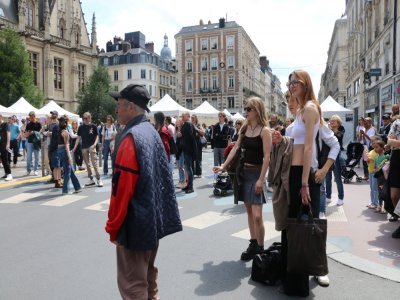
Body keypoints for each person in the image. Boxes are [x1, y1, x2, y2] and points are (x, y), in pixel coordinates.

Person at [105, 84, 182, 299]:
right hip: (152, 221)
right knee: (148, 277)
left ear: (130, 106)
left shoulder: (130, 137)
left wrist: (113, 227)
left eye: (119, 105)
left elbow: (122, 189)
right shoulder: (151, 131)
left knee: (132, 285)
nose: (117, 110)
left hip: (135, 225)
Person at [213, 96, 272, 261]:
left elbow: (267, 157)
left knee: (258, 215)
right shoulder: (245, 129)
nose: (245, 112)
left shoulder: (264, 130)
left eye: (248, 109)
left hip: (257, 174)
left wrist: (261, 179)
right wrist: (223, 166)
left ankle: (261, 248)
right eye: (245, 109)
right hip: (244, 174)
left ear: (257, 110)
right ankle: (253, 243)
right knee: (248, 212)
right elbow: (235, 148)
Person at [282, 70, 322, 297]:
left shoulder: (309, 108)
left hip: (302, 174)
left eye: (296, 81)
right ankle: (292, 281)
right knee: (294, 226)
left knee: (300, 228)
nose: (292, 85)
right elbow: (297, 143)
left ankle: (298, 286)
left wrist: (305, 183)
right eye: (290, 82)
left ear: (306, 83)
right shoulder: (300, 110)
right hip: (295, 172)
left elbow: (308, 148)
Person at [73, 112, 103, 187]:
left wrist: (94, 144)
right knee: (87, 164)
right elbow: (78, 137)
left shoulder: (93, 126)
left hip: (91, 146)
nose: (84, 120)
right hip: (84, 147)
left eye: (86, 118)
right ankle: (91, 179)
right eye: (83, 118)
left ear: (89, 118)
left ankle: (99, 179)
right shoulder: (81, 127)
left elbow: (97, 136)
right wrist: (74, 147)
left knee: (94, 163)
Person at [57, 116, 82, 194]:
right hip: (64, 150)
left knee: (70, 169)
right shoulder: (65, 132)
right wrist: (69, 156)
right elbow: (66, 145)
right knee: (67, 170)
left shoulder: (58, 130)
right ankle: (65, 190)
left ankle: (77, 187)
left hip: (59, 150)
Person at [325, 115, 345, 206]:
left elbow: (339, 137)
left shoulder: (340, 131)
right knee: (327, 177)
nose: (331, 122)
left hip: (336, 156)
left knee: (337, 178)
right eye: (331, 120)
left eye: (334, 121)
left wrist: (331, 129)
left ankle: (341, 198)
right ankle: (328, 196)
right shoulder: (327, 130)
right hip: (327, 155)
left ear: (338, 123)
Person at [387, 117, 400, 238]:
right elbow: (389, 142)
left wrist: (395, 142)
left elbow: (393, 142)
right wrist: (393, 142)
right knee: (394, 195)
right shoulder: (396, 122)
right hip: (396, 160)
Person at [179, 111, 197, 193]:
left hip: (188, 150)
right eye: (182, 116)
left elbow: (191, 138)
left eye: (183, 116)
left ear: (188, 116)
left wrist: (194, 151)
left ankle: (191, 187)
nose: (182, 117)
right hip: (186, 149)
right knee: (187, 169)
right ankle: (188, 185)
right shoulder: (186, 124)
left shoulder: (188, 124)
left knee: (189, 169)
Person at [25, 111, 41, 176]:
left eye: (32, 116)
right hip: (30, 142)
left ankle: (36, 170)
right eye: (30, 116)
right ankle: (28, 170)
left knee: (36, 157)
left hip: (36, 143)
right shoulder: (28, 124)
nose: (31, 118)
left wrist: (33, 132)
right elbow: (26, 134)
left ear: (35, 116)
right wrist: (29, 133)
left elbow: (40, 133)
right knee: (28, 158)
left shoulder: (39, 124)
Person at [0, 114, 12, 181]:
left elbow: (8, 133)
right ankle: (6, 173)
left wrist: (8, 143)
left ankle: (9, 174)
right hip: (0, 144)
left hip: (5, 144)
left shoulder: (5, 124)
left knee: (5, 159)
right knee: (2, 158)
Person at [175, 118, 186, 188]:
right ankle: (181, 180)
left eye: (178, 122)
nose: (177, 123)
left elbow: (181, 138)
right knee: (179, 166)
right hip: (177, 150)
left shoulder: (182, 130)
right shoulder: (176, 130)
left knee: (181, 166)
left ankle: (183, 181)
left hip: (182, 150)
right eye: (176, 122)